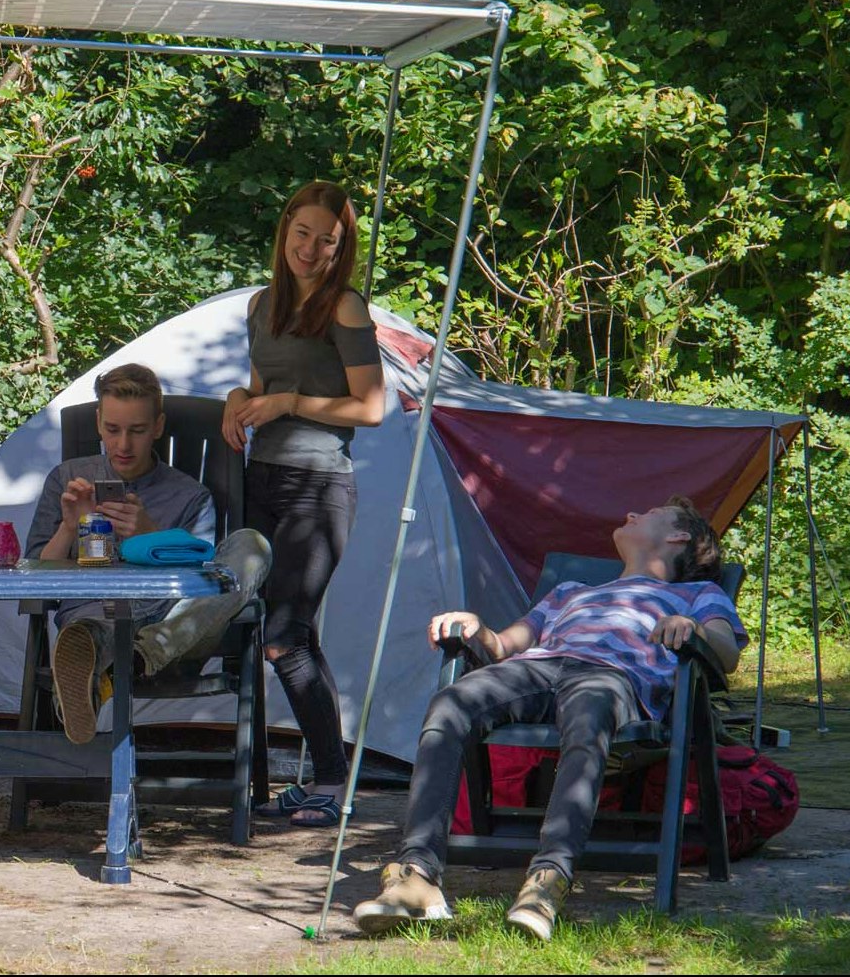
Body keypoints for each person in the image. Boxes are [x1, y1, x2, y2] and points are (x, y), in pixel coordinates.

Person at [353, 498, 746, 941]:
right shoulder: (571, 591)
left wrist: (692, 629)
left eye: (648, 514)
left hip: (613, 677)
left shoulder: (694, 595)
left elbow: (726, 653)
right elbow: (502, 646)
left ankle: (547, 880)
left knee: (588, 718)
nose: (631, 514)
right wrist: (474, 626)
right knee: (450, 704)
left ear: (679, 537)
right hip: (538, 667)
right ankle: (417, 876)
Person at [221, 180, 385, 828]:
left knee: (285, 636)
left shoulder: (344, 306)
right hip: (258, 480)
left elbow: (369, 406)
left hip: (317, 489)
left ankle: (330, 779)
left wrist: (288, 404)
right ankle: (316, 777)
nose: (311, 248)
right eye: (302, 232)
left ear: (340, 249)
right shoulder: (261, 305)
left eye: (327, 240)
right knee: (268, 631)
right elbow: (262, 385)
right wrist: (239, 402)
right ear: (284, 229)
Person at [24, 363, 219, 743]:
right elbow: (34, 578)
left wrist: (149, 535)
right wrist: (69, 527)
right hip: (93, 612)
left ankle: (104, 676)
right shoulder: (67, 479)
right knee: (94, 627)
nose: (123, 445)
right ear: (98, 422)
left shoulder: (190, 496)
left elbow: (206, 580)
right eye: (113, 430)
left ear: (158, 427)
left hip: (164, 619)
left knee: (247, 550)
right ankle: (95, 669)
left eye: (137, 431)